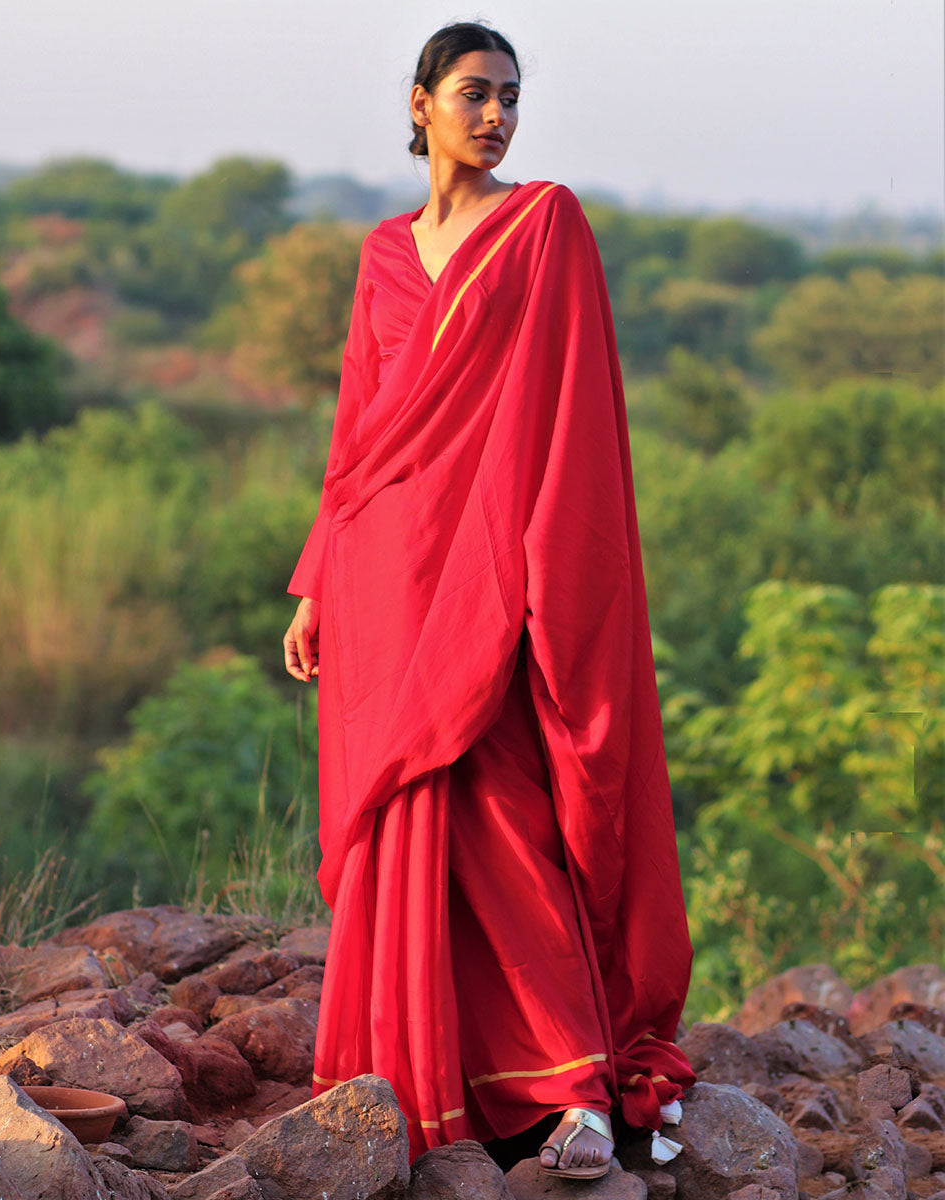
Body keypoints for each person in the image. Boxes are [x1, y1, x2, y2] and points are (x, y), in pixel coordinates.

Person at [283, 21, 696, 1180]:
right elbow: (357, 429)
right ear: (418, 105)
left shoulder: (544, 223)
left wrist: (534, 574)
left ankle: (570, 1091)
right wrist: (317, 577)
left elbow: (566, 417)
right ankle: (416, 1085)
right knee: (405, 830)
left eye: (511, 96)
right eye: (473, 94)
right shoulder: (380, 253)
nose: (497, 115)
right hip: (377, 576)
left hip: (488, 568)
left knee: (507, 814)